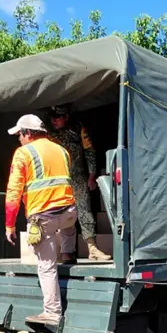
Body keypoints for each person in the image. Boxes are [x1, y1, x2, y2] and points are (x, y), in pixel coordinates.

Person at [4, 114, 78, 326]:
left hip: (43, 219)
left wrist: (9, 224)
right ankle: (69, 253)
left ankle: (53, 312)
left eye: (19, 134)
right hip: (69, 213)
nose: (19, 139)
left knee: (46, 266)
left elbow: (13, 192)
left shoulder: (23, 153)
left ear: (28, 133)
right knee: (68, 228)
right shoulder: (62, 150)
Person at [48, 104, 112, 262]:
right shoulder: (48, 136)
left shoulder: (78, 130)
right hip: (59, 181)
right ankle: (66, 251)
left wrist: (92, 174)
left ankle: (92, 248)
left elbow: (89, 151)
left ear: (66, 117)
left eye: (58, 117)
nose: (54, 120)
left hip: (78, 178)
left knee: (84, 211)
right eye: (52, 118)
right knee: (63, 214)